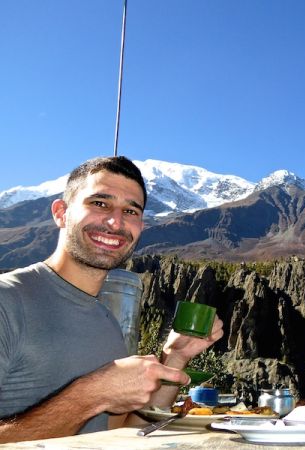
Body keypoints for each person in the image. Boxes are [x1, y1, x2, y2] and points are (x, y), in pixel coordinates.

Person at [0, 156, 224, 443]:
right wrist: (90, 395)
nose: (115, 222)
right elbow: (93, 398)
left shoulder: (107, 322)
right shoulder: (8, 300)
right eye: (100, 203)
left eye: (131, 211)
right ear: (60, 213)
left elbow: (124, 431)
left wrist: (175, 357)